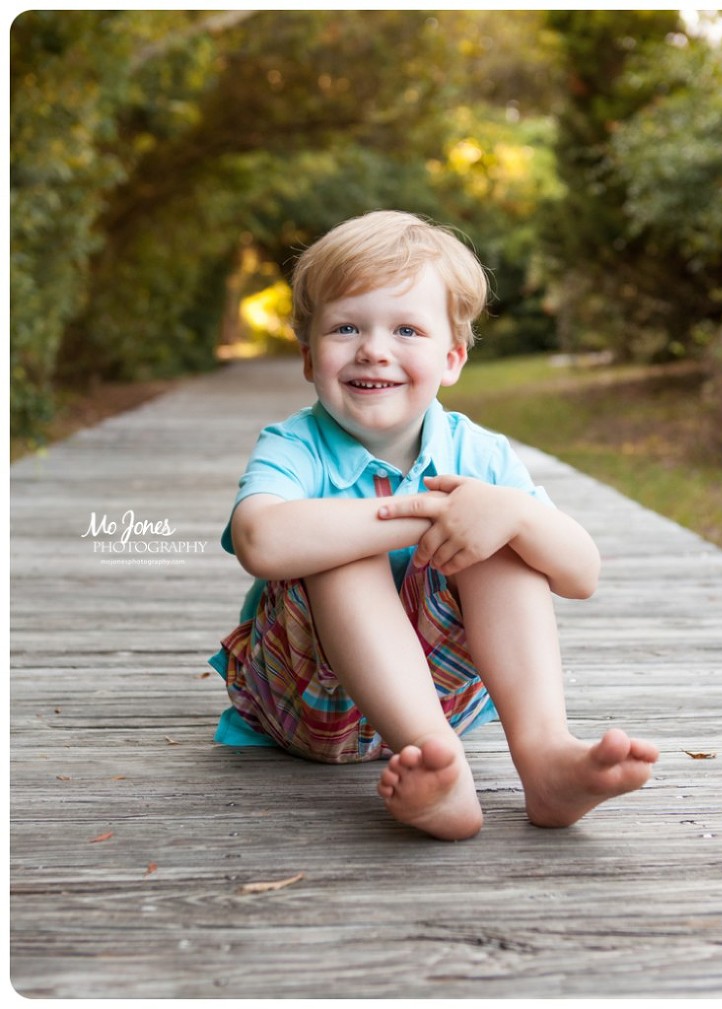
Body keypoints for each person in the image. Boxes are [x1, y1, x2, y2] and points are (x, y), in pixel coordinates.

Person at [210, 210, 658, 841]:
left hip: (449, 703)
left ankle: (546, 758)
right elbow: (261, 540)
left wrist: (514, 514)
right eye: (346, 327)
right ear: (309, 357)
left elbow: (581, 575)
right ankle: (435, 768)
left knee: (502, 534)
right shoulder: (294, 446)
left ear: (451, 359)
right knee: (339, 545)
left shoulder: (477, 453)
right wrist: (424, 517)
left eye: (407, 329)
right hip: (307, 704)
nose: (374, 349)